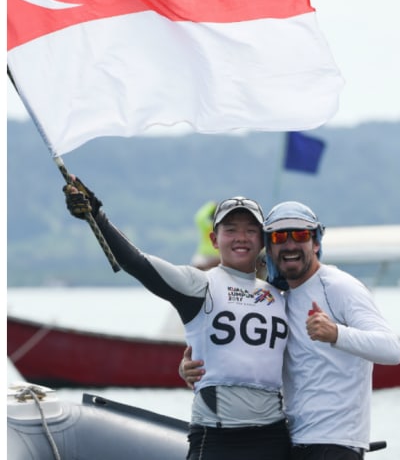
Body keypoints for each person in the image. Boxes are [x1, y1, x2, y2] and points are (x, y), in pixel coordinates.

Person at [62, 179, 291, 460]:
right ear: (214, 240)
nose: (241, 237)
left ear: (263, 240)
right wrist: (97, 215)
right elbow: (137, 262)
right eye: (231, 230)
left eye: (251, 231)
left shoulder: (280, 296)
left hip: (273, 437)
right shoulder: (198, 284)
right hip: (217, 438)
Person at [182, 200, 400, 460]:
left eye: (300, 235)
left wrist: (336, 333)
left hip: (334, 444)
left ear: (316, 243)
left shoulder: (340, 287)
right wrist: (192, 368)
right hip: (292, 441)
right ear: (269, 247)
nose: (289, 245)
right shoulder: (279, 298)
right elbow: (256, 359)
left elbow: (392, 350)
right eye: (279, 237)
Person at [190, 200, 220, 270]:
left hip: (213, 257)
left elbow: (200, 217)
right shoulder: (210, 227)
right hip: (208, 256)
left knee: (197, 266)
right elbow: (200, 217)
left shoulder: (206, 226)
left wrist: (212, 205)